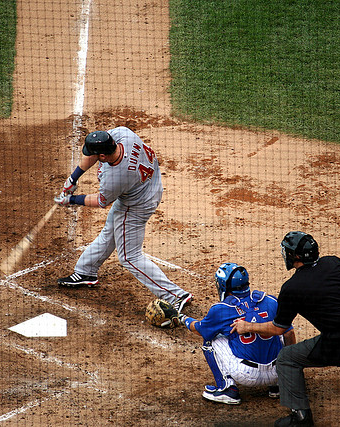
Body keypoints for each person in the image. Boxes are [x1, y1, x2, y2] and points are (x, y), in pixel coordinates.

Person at [231, 231, 340, 427]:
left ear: (296, 256)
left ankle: (300, 417)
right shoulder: (333, 262)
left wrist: (247, 326)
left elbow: (278, 329)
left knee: (287, 358)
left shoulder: (292, 288)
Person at [54, 127, 193, 312]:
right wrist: (73, 178)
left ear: (102, 156)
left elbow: (101, 201)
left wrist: (71, 200)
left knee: (129, 256)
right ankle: (85, 272)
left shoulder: (116, 177)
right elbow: (96, 153)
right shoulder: (124, 135)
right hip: (150, 186)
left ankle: (175, 295)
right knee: (111, 231)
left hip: (136, 205)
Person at [179, 262, 296, 405]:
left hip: (246, 375)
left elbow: (199, 329)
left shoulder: (221, 309)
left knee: (211, 338)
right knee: (281, 330)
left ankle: (227, 389)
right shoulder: (270, 301)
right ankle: (277, 386)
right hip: (278, 372)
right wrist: (288, 370)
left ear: (224, 286)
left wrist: (182, 318)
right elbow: (289, 335)